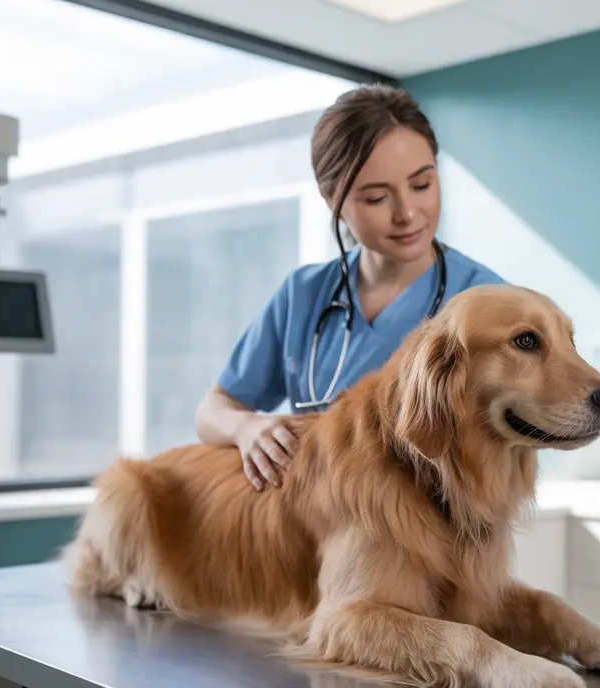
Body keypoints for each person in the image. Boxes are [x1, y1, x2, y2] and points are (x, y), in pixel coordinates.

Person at [194, 83, 507, 490]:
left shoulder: (487, 301)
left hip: (426, 523)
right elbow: (212, 410)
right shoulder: (303, 294)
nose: (407, 213)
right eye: (376, 198)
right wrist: (246, 428)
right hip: (312, 516)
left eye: (422, 185)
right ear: (331, 200)